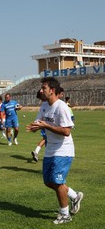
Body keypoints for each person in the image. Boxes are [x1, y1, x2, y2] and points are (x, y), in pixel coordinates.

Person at [26, 77, 83, 224]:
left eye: (43, 88)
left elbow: (66, 131)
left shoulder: (61, 107)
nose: (41, 90)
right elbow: (39, 122)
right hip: (50, 150)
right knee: (48, 181)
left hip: (64, 150)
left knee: (57, 183)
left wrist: (46, 126)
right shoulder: (44, 106)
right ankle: (74, 196)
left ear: (52, 90)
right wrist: (35, 127)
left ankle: (64, 214)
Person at [31, 87, 64, 162]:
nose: (62, 96)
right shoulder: (45, 105)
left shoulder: (60, 105)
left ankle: (37, 152)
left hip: (46, 127)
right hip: (44, 125)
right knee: (47, 139)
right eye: (61, 94)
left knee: (46, 139)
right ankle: (37, 152)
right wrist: (35, 126)